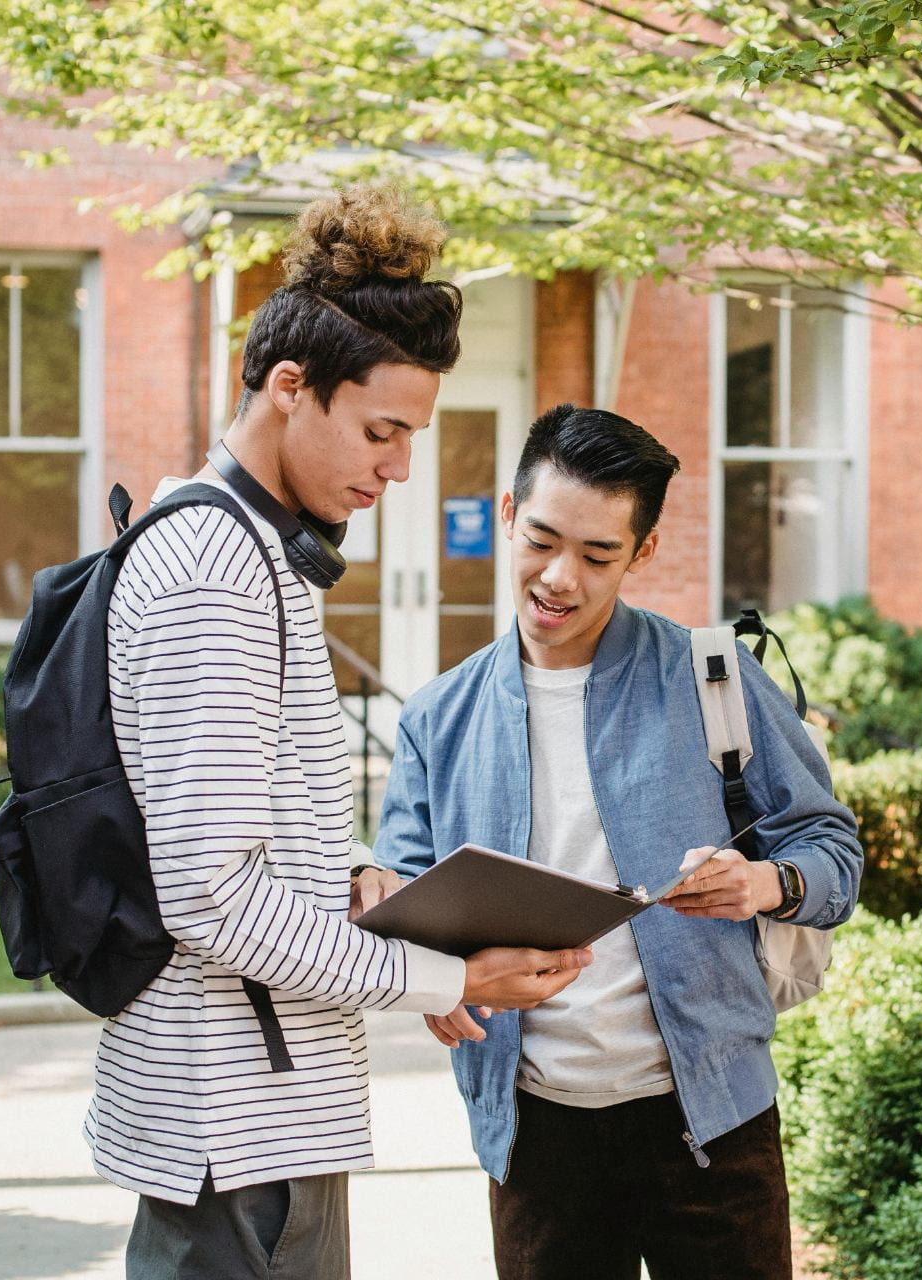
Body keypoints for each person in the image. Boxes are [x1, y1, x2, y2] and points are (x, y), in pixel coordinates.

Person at [94, 188, 592, 1280]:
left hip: (261, 1109)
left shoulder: (250, 552)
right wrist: (444, 978)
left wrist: (358, 874)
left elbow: (248, 832)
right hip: (235, 1125)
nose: (402, 467)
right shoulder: (216, 570)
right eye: (382, 430)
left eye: (412, 434)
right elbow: (212, 891)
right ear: (288, 387)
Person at [364, 403, 863, 1279]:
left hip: (711, 1122)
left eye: (598, 556)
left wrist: (763, 883)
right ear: (510, 515)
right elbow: (399, 898)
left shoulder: (712, 677)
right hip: (535, 1135)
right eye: (544, 540)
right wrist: (430, 981)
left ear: (643, 553)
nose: (560, 578)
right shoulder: (438, 718)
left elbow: (833, 851)